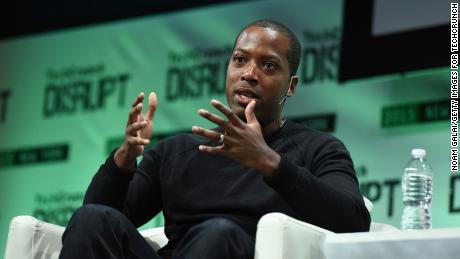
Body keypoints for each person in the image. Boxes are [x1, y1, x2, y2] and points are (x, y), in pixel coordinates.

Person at [59, 19, 370, 259]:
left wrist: (268, 162)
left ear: (291, 85)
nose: (249, 73)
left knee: (218, 233)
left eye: (269, 65)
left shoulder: (319, 149)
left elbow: (354, 222)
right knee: (91, 218)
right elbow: (102, 226)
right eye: (240, 60)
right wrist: (122, 161)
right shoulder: (177, 151)